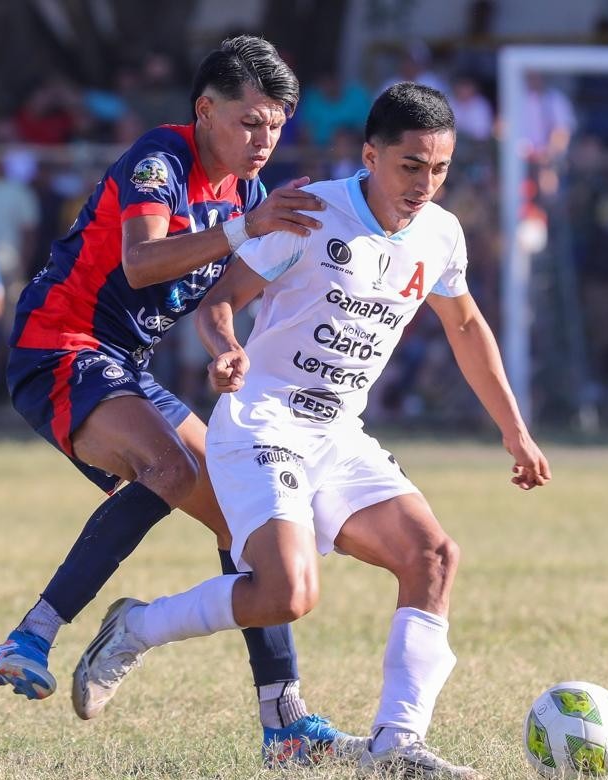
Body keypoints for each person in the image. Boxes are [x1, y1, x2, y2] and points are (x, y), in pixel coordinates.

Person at [74, 83, 551, 778]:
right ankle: (135, 627)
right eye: (410, 165)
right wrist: (226, 348)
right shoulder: (311, 212)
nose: (424, 183)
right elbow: (220, 303)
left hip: (339, 434)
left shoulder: (441, 235)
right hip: (263, 418)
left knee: (434, 558)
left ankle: (395, 746)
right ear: (371, 155)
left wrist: (516, 431)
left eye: (439, 169)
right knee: (287, 595)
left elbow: (467, 324)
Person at [0, 36, 365, 765]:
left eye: (277, 124)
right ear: (205, 110)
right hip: (60, 343)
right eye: (250, 121)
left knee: (235, 513)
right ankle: (31, 634)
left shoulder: (248, 196)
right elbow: (142, 260)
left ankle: (283, 722)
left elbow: (223, 300)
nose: (264, 139)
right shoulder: (162, 158)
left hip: (123, 363)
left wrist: (229, 351)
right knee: (171, 469)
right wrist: (250, 227)